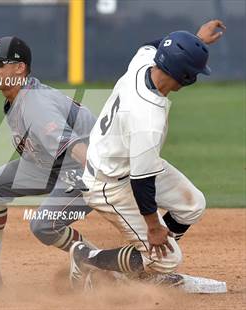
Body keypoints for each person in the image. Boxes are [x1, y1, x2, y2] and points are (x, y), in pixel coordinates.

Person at [69, 20, 226, 289]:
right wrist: (154, 228)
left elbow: (156, 45)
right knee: (168, 259)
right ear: (186, 77)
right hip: (108, 182)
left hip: (123, 159)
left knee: (193, 205)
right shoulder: (147, 119)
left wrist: (194, 41)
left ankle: (143, 264)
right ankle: (87, 258)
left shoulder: (144, 63)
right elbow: (143, 185)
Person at [0, 36, 98, 290]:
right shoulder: (18, 97)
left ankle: (100, 263)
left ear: (19, 68)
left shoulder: (35, 104)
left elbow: (75, 146)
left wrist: (102, 178)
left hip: (85, 167)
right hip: (52, 166)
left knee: (43, 225)